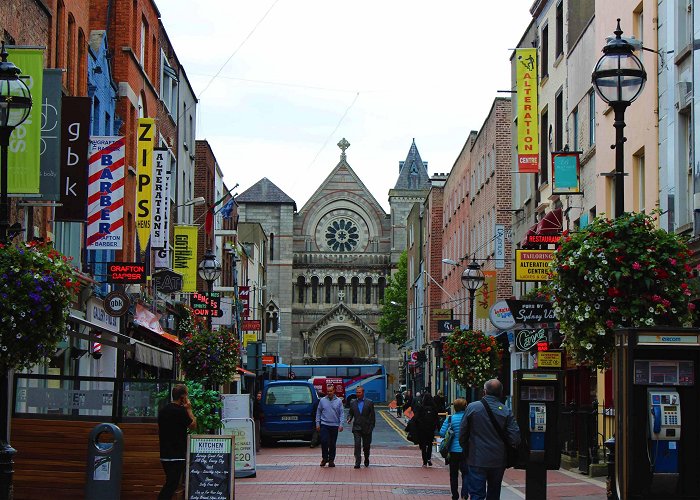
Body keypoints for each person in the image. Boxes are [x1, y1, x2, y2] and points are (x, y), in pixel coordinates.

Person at [459, 379, 521, 500]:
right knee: (494, 492)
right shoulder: (506, 410)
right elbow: (515, 438)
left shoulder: (472, 408)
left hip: (476, 458)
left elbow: (462, 433)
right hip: (498, 459)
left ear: (484, 392)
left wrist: (467, 449)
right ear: (501, 393)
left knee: (476, 494)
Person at [158, 384, 197, 500]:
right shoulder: (181, 411)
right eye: (187, 395)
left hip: (165, 453)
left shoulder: (163, 410)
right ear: (183, 397)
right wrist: (189, 409)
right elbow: (193, 426)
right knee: (172, 483)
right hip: (177, 454)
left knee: (171, 482)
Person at [439, 398, 469, 500]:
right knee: (466, 474)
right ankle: (465, 494)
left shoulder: (450, 419)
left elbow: (442, 433)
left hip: (452, 451)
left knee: (453, 475)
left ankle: (455, 495)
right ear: (465, 407)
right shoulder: (468, 418)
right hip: (465, 451)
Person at [346, 386, 376, 468]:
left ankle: (366, 458)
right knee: (357, 445)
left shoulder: (369, 402)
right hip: (357, 428)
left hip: (367, 428)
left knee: (366, 446)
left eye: (359, 392)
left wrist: (372, 426)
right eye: (357, 392)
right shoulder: (353, 402)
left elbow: (373, 416)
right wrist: (349, 418)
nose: (358, 394)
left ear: (363, 393)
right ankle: (357, 461)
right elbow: (350, 413)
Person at [316, 383, 344, 467]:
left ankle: (331, 460)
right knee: (324, 442)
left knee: (332, 444)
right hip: (324, 424)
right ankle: (324, 458)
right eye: (328, 391)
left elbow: (341, 413)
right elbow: (318, 412)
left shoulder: (339, 401)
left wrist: (341, 424)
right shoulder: (322, 400)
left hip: (334, 425)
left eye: (331, 391)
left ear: (334, 391)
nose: (329, 393)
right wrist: (317, 423)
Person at [413, 392, 438, 466]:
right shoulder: (434, 408)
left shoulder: (421, 407)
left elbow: (417, 419)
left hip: (422, 429)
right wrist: (436, 427)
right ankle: (429, 458)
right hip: (431, 429)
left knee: (423, 445)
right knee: (430, 444)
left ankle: (424, 461)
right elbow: (436, 419)